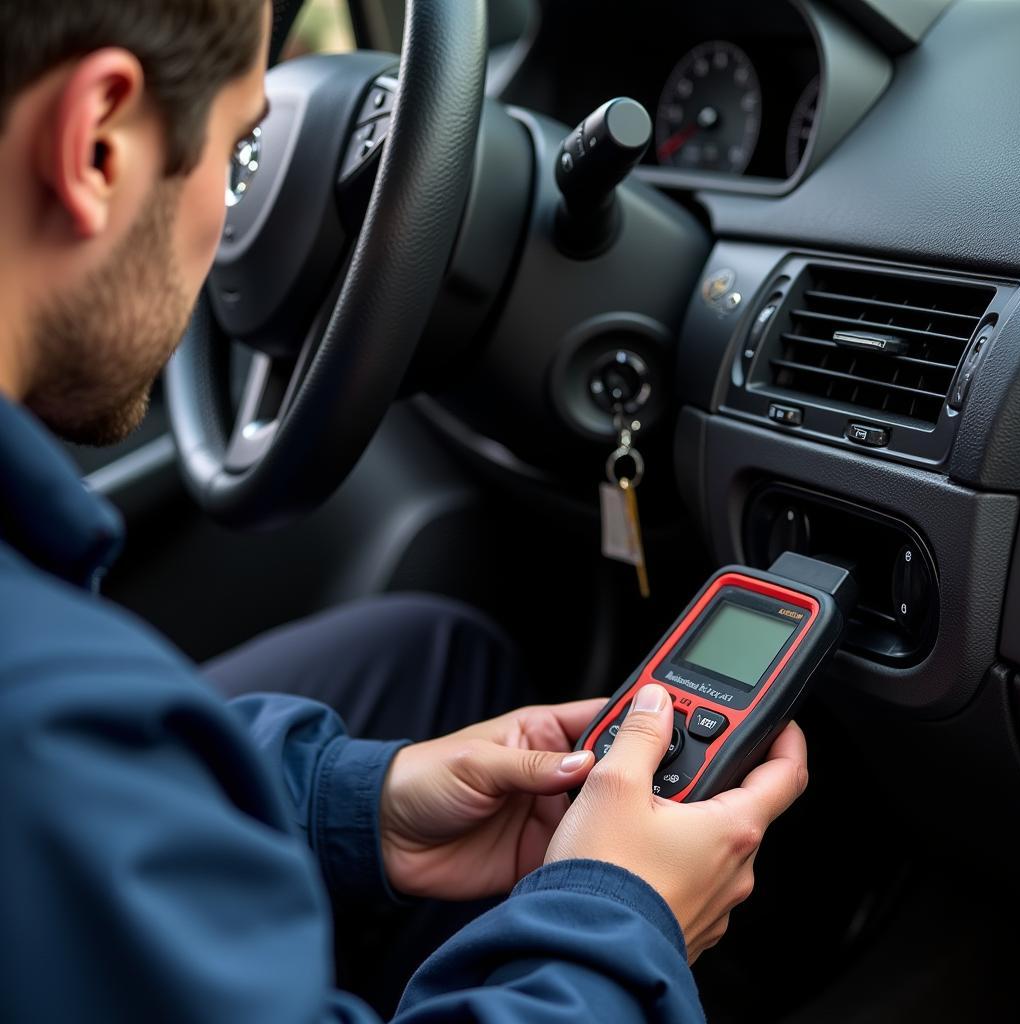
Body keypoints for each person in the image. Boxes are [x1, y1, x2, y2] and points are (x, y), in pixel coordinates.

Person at [0, 2, 810, 1021]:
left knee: (434, 659)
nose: (239, 199)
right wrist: (620, 916)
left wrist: (351, 806)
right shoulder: (42, 728)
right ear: (97, 146)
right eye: (239, 141)